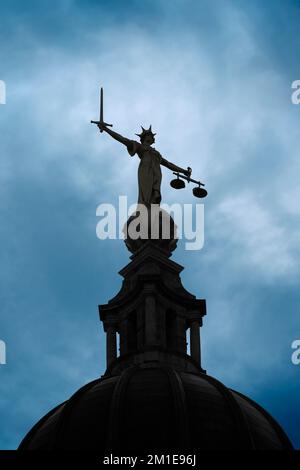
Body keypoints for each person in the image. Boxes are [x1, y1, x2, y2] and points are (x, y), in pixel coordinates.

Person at [98, 123, 192, 207]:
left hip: (157, 171)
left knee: (155, 193)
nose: (151, 137)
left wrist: (184, 171)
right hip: (145, 169)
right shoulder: (139, 146)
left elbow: (169, 164)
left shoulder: (157, 153)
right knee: (145, 190)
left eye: (151, 136)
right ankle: (144, 206)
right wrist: (106, 129)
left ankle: (153, 206)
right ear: (144, 137)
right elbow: (122, 139)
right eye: (149, 135)